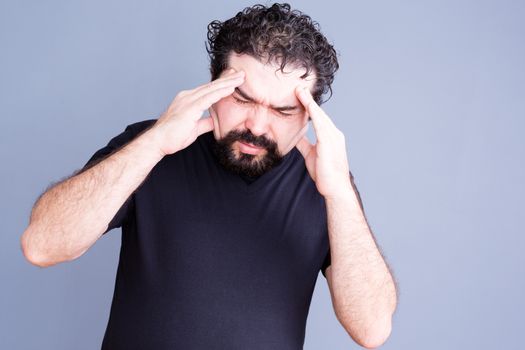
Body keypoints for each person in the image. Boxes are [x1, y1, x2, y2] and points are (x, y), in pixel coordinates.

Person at [20, 3, 397, 349]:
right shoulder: (150, 148)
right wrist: (152, 145)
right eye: (243, 99)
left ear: (309, 117)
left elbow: (372, 329)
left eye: (283, 111)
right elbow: (42, 246)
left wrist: (340, 194)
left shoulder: (327, 185)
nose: (257, 125)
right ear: (213, 84)